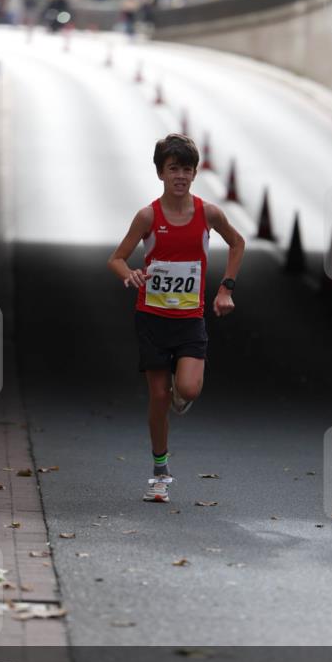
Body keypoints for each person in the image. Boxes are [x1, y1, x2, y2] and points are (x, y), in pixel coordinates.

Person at [107, 134, 245, 503]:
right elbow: (116, 258)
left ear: (195, 173)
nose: (180, 176)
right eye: (173, 169)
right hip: (152, 318)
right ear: (160, 173)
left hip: (189, 319)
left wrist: (225, 288)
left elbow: (237, 243)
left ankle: (179, 388)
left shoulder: (208, 214)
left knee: (188, 390)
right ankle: (160, 471)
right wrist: (129, 274)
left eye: (187, 169)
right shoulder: (148, 216)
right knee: (157, 395)